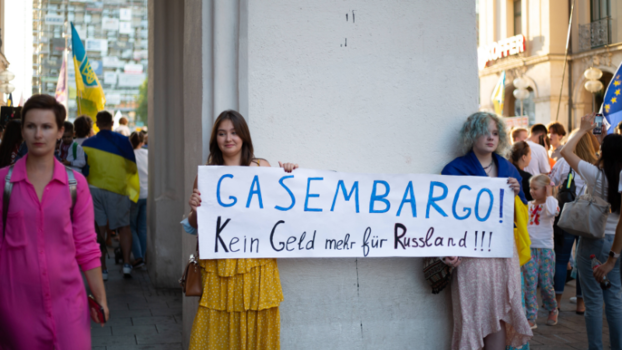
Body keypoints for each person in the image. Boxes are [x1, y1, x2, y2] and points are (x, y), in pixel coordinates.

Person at [181, 110, 298, 350]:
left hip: (257, 266)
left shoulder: (261, 167)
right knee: (215, 329)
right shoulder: (206, 176)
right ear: (216, 140)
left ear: (243, 136)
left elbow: (286, 206)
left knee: (256, 326)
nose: (228, 139)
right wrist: (194, 210)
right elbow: (194, 226)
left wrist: (290, 174)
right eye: (222, 133)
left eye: (234, 133)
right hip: (220, 267)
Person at [0, 94, 108, 348]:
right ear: (22, 131)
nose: (39, 134)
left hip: (69, 305)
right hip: (15, 307)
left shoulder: (75, 185)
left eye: (47, 127)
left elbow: (87, 247)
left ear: (60, 132)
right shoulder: (4, 183)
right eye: (31, 126)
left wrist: (101, 299)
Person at [441, 112, 532, 350]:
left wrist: (516, 195)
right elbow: (444, 217)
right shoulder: (454, 169)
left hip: (503, 251)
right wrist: (447, 250)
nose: (490, 138)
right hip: (471, 253)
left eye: (494, 133)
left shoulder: (509, 170)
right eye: (484, 132)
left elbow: (521, 217)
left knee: (500, 311)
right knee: (471, 313)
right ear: (472, 135)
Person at [560, 113, 622, 350]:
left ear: (605, 153)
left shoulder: (595, 175)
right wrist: (604, 139)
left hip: (592, 241)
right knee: (615, 298)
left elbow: (566, 151)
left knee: (594, 302)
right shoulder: (619, 176)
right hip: (615, 243)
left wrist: (582, 129)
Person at [82, 111, 140, 279]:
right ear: (112, 122)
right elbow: (131, 167)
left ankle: (103, 269)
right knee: (124, 227)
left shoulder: (87, 143)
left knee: (98, 229)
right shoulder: (123, 141)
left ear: (97, 124)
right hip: (118, 189)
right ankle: (127, 265)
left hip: (94, 189)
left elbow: (84, 168)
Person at [550, 131, 596, 315]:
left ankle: (557, 302)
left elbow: (550, 183)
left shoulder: (564, 162)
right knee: (583, 262)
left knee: (561, 260)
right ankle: (580, 304)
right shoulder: (595, 164)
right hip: (589, 219)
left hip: (567, 217)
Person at [523, 174, 560, 328]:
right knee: (529, 283)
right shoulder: (528, 205)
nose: (531, 191)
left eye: (535, 188)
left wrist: (550, 193)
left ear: (545, 189)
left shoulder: (551, 203)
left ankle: (553, 308)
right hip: (529, 249)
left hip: (545, 249)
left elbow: (553, 211)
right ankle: (531, 316)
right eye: (531, 188)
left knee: (545, 284)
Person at [129, 131, 148, 268]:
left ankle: (138, 256)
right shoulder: (147, 154)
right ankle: (143, 256)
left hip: (133, 195)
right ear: (142, 142)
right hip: (147, 194)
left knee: (131, 227)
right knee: (142, 228)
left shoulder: (130, 156)